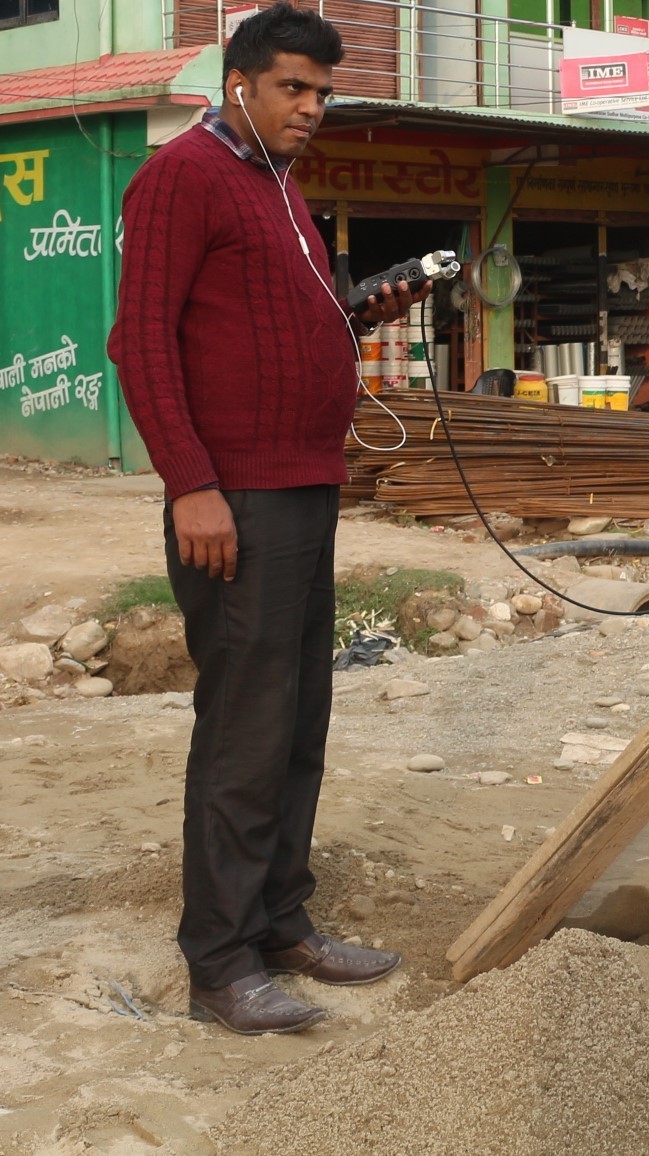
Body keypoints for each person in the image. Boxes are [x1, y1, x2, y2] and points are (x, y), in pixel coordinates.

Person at [108, 3, 426, 1035]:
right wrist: (190, 482)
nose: (312, 109)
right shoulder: (179, 179)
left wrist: (359, 310)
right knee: (245, 728)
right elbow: (141, 341)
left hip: (301, 484)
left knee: (297, 718)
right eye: (295, 88)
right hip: (234, 498)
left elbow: (292, 319)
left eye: (324, 93)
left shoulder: (281, 185)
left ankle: (282, 919)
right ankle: (220, 959)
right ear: (239, 83)